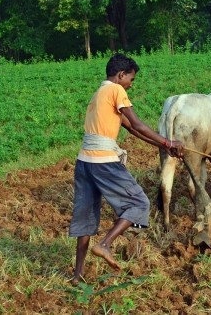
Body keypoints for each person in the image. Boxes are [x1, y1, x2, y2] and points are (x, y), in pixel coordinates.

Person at [69, 53, 183, 284]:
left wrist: (163, 146)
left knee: (86, 217)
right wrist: (169, 142)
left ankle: (78, 274)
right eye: (131, 79)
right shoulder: (116, 90)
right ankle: (105, 244)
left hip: (84, 162)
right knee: (139, 203)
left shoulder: (98, 94)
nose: (131, 84)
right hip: (103, 161)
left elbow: (132, 129)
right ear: (121, 75)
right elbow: (139, 123)